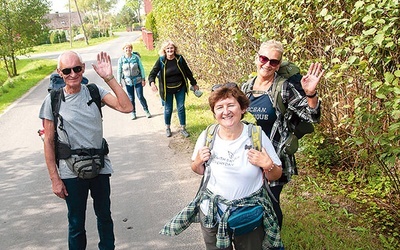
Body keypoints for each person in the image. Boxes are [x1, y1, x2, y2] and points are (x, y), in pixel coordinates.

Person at [160, 83, 284, 250]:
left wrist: (268, 165)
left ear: (243, 109)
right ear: (214, 113)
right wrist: (197, 162)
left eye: (231, 105)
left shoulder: (256, 135)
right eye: (219, 107)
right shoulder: (207, 135)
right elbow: (198, 170)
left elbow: (276, 175)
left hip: (247, 215)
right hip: (212, 213)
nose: (226, 111)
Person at [39, 51, 133, 250]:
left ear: (83, 67)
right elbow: (48, 141)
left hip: (100, 167)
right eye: (67, 70)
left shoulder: (94, 91)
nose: (73, 74)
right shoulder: (53, 100)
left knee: (105, 217)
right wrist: (55, 179)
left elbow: (126, 107)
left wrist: (109, 78)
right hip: (70, 172)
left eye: (77, 68)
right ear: (60, 73)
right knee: (76, 224)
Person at [241, 40, 324, 230]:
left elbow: (312, 116)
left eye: (274, 62)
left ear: (278, 65)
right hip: (250, 157)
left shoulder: (283, 87)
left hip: (276, 157)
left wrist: (310, 94)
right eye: (264, 59)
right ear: (257, 58)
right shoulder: (246, 88)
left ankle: (274, 241)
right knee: (252, 201)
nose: (267, 65)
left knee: (271, 201)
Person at [148, 40, 200, 138]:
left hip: (180, 87)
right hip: (167, 90)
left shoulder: (179, 59)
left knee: (181, 107)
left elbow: (188, 72)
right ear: (164, 50)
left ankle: (183, 128)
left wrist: (194, 83)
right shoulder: (161, 61)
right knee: (168, 109)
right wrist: (152, 83)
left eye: (171, 48)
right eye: (168, 48)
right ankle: (168, 127)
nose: (170, 50)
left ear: (174, 49)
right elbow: (152, 73)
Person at [117, 42, 151, 119]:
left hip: (138, 80)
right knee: (131, 98)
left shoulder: (136, 57)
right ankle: (133, 112)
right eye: (126, 48)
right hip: (128, 81)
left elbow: (141, 68)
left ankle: (146, 110)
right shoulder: (121, 60)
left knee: (140, 96)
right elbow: (119, 71)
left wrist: (143, 79)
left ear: (131, 49)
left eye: (129, 48)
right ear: (123, 50)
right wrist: (119, 82)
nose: (128, 49)